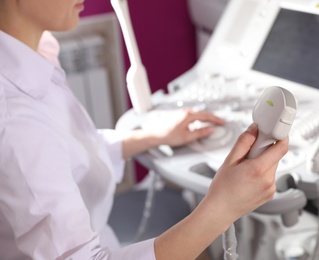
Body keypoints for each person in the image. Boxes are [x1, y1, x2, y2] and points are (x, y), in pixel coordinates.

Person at [0, 0, 289, 259]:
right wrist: (221, 208)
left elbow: (59, 157)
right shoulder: (14, 118)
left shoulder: (33, 53)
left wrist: (148, 137)